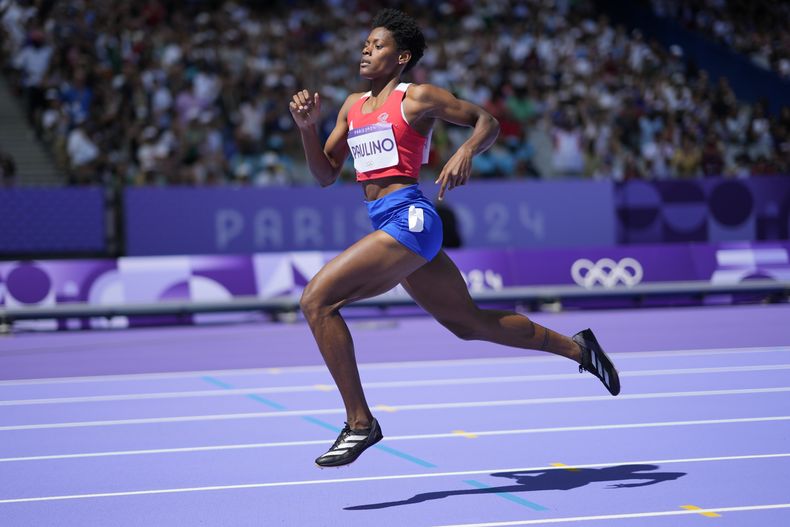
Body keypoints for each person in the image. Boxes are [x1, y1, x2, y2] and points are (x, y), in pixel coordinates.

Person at [289, 9, 620, 468]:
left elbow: (486, 121)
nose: (366, 49)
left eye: (377, 45)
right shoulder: (350, 106)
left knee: (316, 300)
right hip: (386, 223)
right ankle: (579, 348)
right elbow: (325, 174)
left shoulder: (417, 97)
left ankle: (360, 422)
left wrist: (465, 151)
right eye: (365, 43)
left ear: (401, 57)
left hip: (411, 219)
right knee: (468, 324)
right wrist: (307, 128)